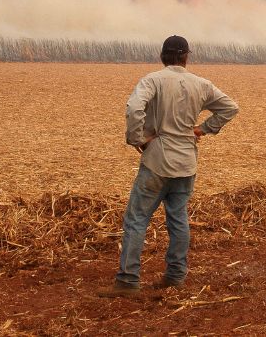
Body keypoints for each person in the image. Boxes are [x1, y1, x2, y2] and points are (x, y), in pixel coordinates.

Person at [99, 35, 239, 298]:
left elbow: (133, 107)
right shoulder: (202, 84)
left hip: (157, 161)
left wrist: (136, 139)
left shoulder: (152, 80)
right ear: (186, 57)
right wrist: (203, 129)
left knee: (136, 220)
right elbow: (230, 108)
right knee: (178, 219)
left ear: (162, 56)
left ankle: (128, 281)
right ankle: (175, 277)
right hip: (186, 162)